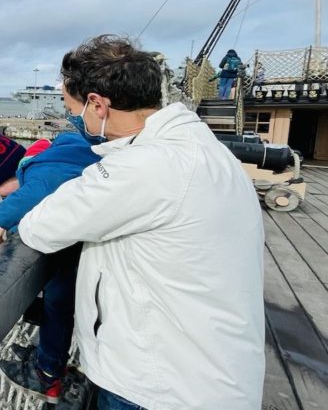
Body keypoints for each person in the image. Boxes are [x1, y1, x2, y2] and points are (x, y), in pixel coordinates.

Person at [17, 35, 264, 409]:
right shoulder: (198, 146)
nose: (72, 121)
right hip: (203, 374)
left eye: (72, 110)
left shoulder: (147, 166)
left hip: (160, 387)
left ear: (97, 105)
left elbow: (41, 226)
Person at [0, 127, 100, 405]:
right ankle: (49, 361)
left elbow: (38, 190)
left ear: (8, 173)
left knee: (57, 301)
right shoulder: (58, 154)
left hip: (87, 263)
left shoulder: (39, 172)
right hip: (89, 249)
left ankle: (47, 372)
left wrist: (1, 217)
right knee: (57, 300)